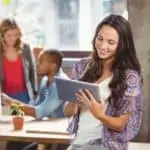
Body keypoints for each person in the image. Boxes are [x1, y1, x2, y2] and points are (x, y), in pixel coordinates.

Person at [64, 14, 143, 150]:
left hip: (104, 145)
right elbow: (66, 111)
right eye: (99, 39)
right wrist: (75, 101)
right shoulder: (82, 66)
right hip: (78, 141)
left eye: (111, 42)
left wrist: (99, 114)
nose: (102, 45)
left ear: (121, 45)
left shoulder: (130, 77)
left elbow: (120, 124)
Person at [2, 49, 69, 150]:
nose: (37, 65)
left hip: (58, 134)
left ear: (53, 66)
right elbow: (34, 107)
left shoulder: (61, 84)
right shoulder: (45, 80)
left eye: (41, 62)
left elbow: (38, 112)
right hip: (44, 127)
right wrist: (6, 110)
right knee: (12, 144)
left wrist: (12, 102)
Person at [0, 18, 38, 104]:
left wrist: (35, 91)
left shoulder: (25, 48)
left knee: (22, 117)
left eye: (16, 35)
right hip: (5, 96)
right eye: (9, 35)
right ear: (2, 35)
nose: (13, 38)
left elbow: (33, 70)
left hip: (24, 95)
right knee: (8, 117)